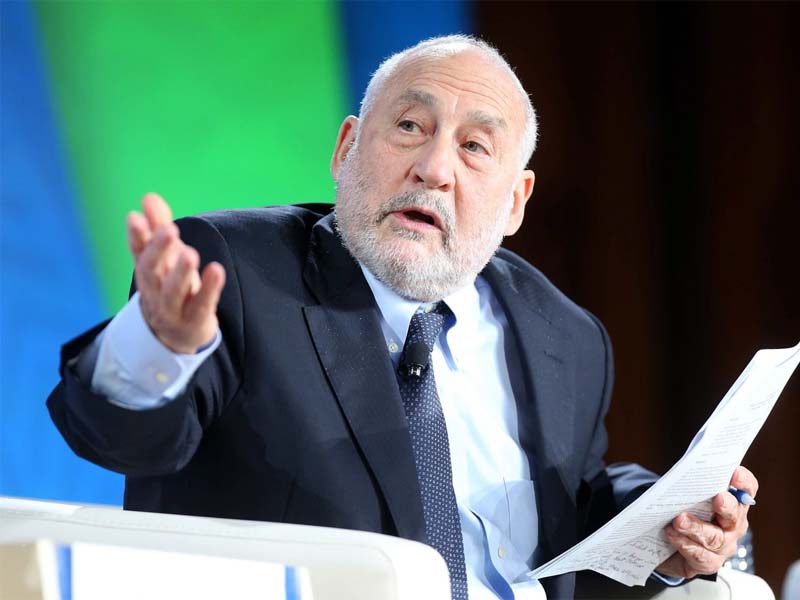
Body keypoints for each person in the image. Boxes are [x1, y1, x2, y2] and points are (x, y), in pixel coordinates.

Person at [47, 36, 756, 599]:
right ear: (346, 149)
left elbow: (573, 502)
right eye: (411, 127)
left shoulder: (564, 334)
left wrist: (670, 521)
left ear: (515, 202)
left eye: (474, 147)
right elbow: (121, 439)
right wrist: (161, 345)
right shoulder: (234, 273)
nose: (434, 168)